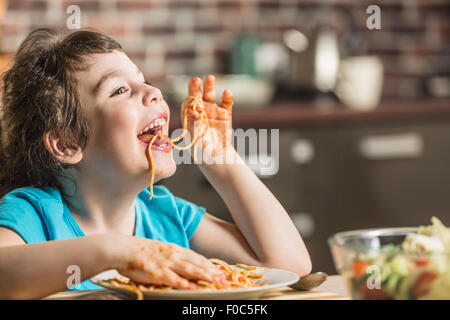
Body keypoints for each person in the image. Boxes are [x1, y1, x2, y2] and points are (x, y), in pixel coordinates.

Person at [0, 29, 311, 299]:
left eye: (144, 80)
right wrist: (117, 252)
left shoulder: (165, 213)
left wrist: (220, 158)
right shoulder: (34, 212)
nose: (154, 92)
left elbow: (288, 266)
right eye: (120, 90)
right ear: (67, 143)